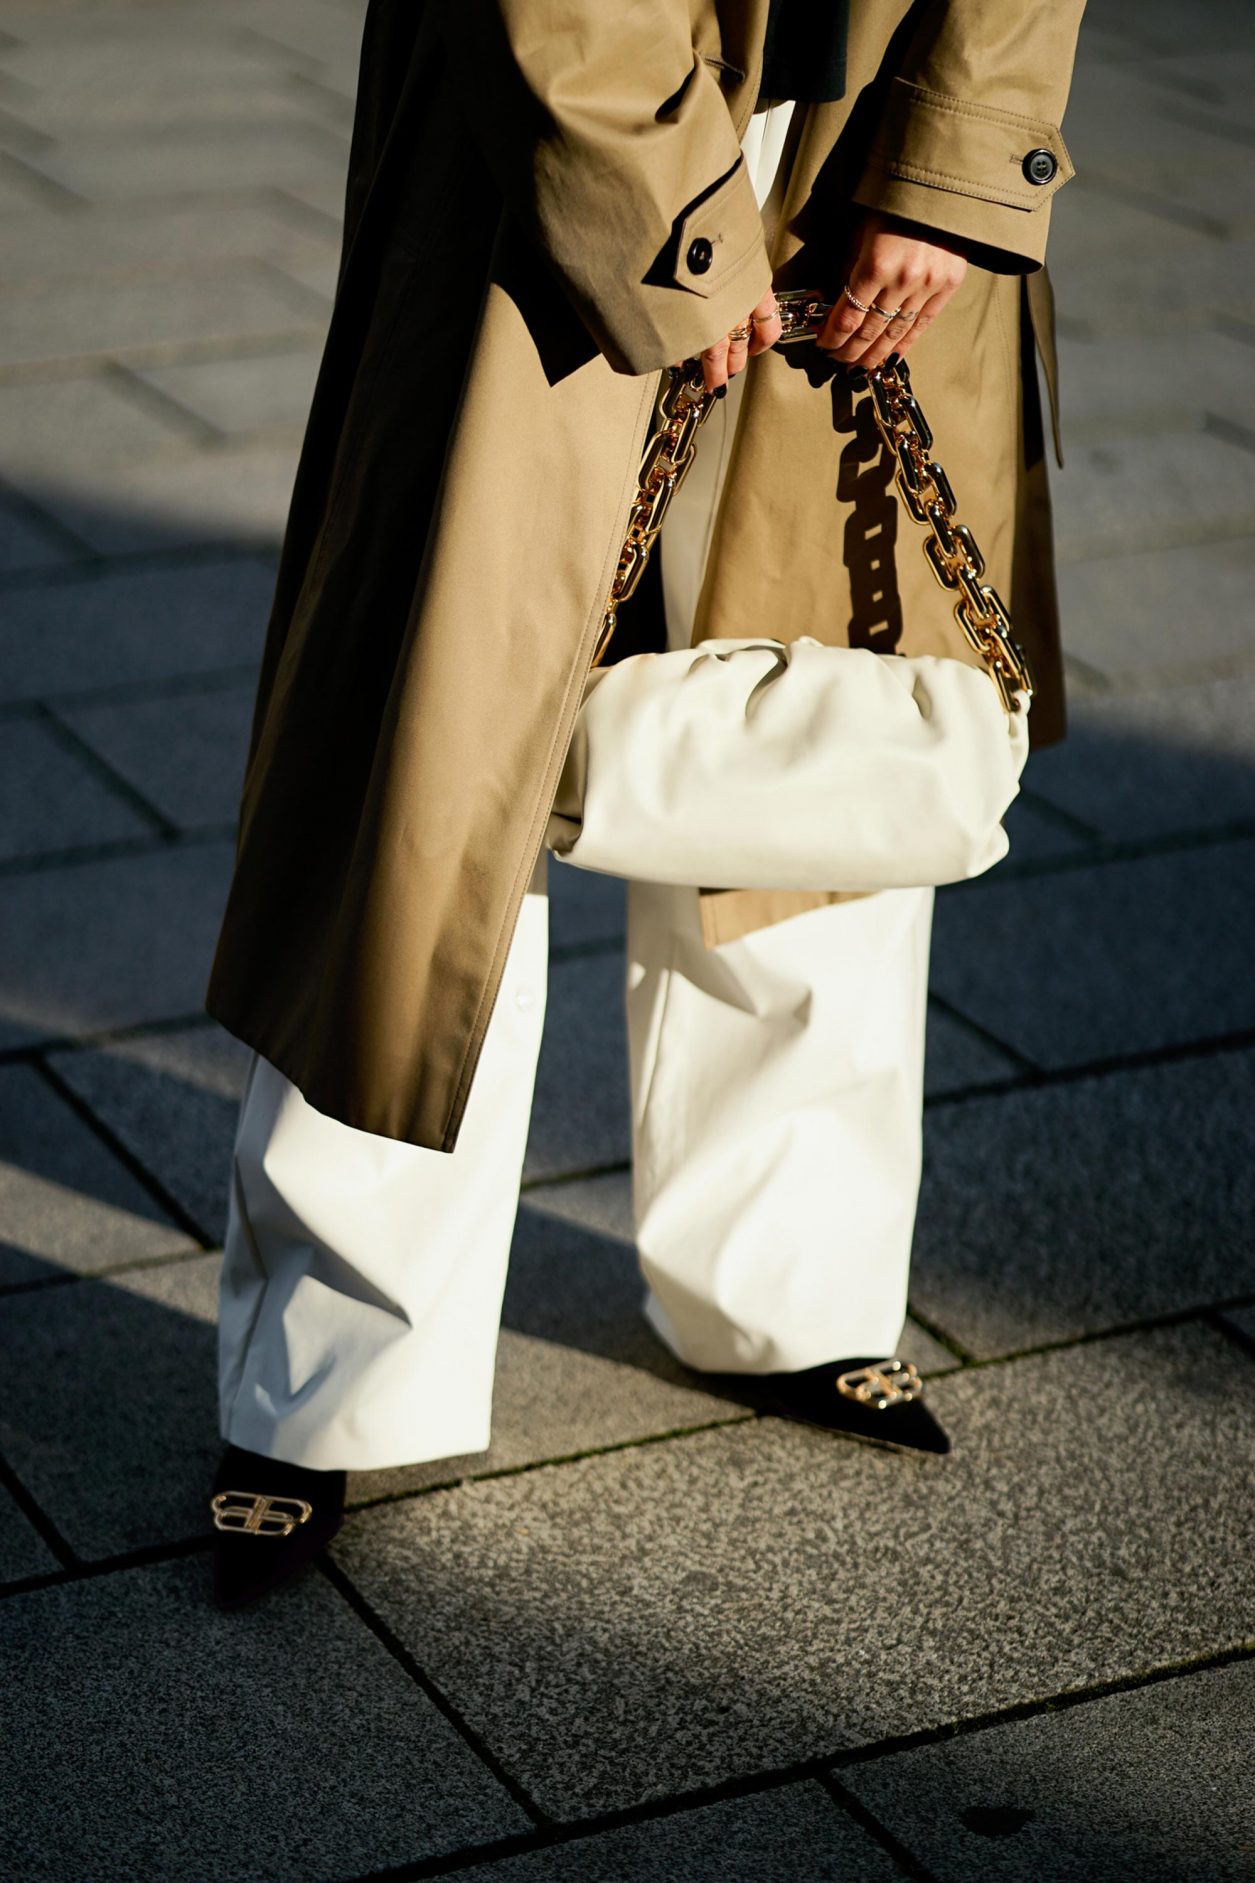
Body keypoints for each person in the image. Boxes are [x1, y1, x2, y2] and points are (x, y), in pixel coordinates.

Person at [204, 0, 1086, 1608]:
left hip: (882, 101)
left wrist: (960, 152)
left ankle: (791, 1293)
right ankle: (332, 1373)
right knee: (437, 749)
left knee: (824, 732)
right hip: (555, 94)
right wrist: (664, 198)